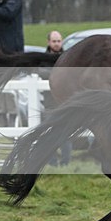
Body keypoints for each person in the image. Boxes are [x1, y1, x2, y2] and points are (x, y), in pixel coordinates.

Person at [41, 30, 71, 166]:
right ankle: (52, 162)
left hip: (65, 102)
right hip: (49, 102)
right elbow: (40, 72)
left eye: (59, 41)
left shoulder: (68, 57)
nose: (57, 44)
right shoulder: (43, 59)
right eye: (54, 41)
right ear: (49, 42)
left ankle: (65, 163)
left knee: (65, 134)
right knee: (49, 134)